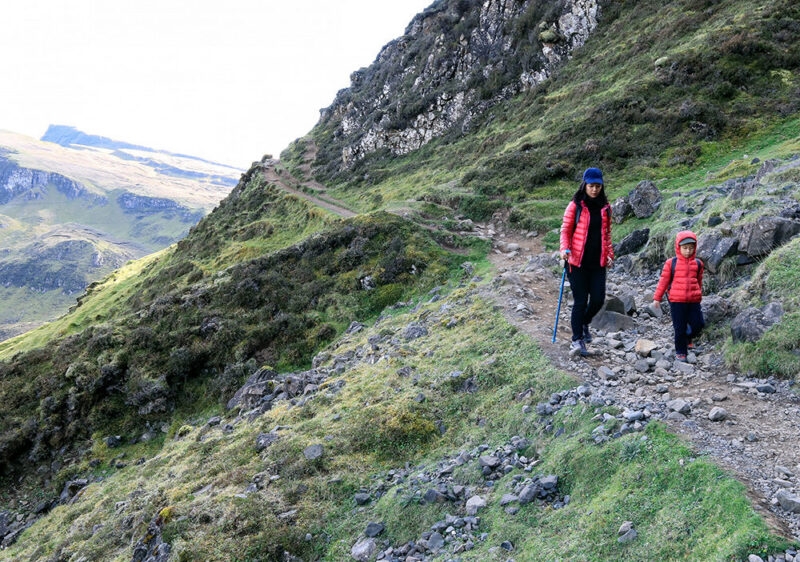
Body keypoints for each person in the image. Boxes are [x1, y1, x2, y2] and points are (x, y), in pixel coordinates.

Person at [559, 167, 614, 356]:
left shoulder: (605, 208)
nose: (595, 189)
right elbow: (565, 230)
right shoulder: (575, 206)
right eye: (591, 186)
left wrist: (610, 254)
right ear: (585, 185)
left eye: (598, 186)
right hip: (576, 263)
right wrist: (564, 249)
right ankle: (577, 340)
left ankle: (584, 323)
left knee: (598, 299)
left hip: (597, 263)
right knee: (581, 301)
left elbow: (606, 235)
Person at [652, 231, 705, 361]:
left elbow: (699, 281)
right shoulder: (671, 263)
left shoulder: (698, 263)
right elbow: (663, 281)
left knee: (698, 324)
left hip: (693, 300)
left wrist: (699, 294)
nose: (688, 251)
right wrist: (657, 298)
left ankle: (688, 337)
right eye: (685, 248)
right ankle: (681, 351)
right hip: (676, 301)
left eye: (691, 248)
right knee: (679, 327)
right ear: (678, 247)